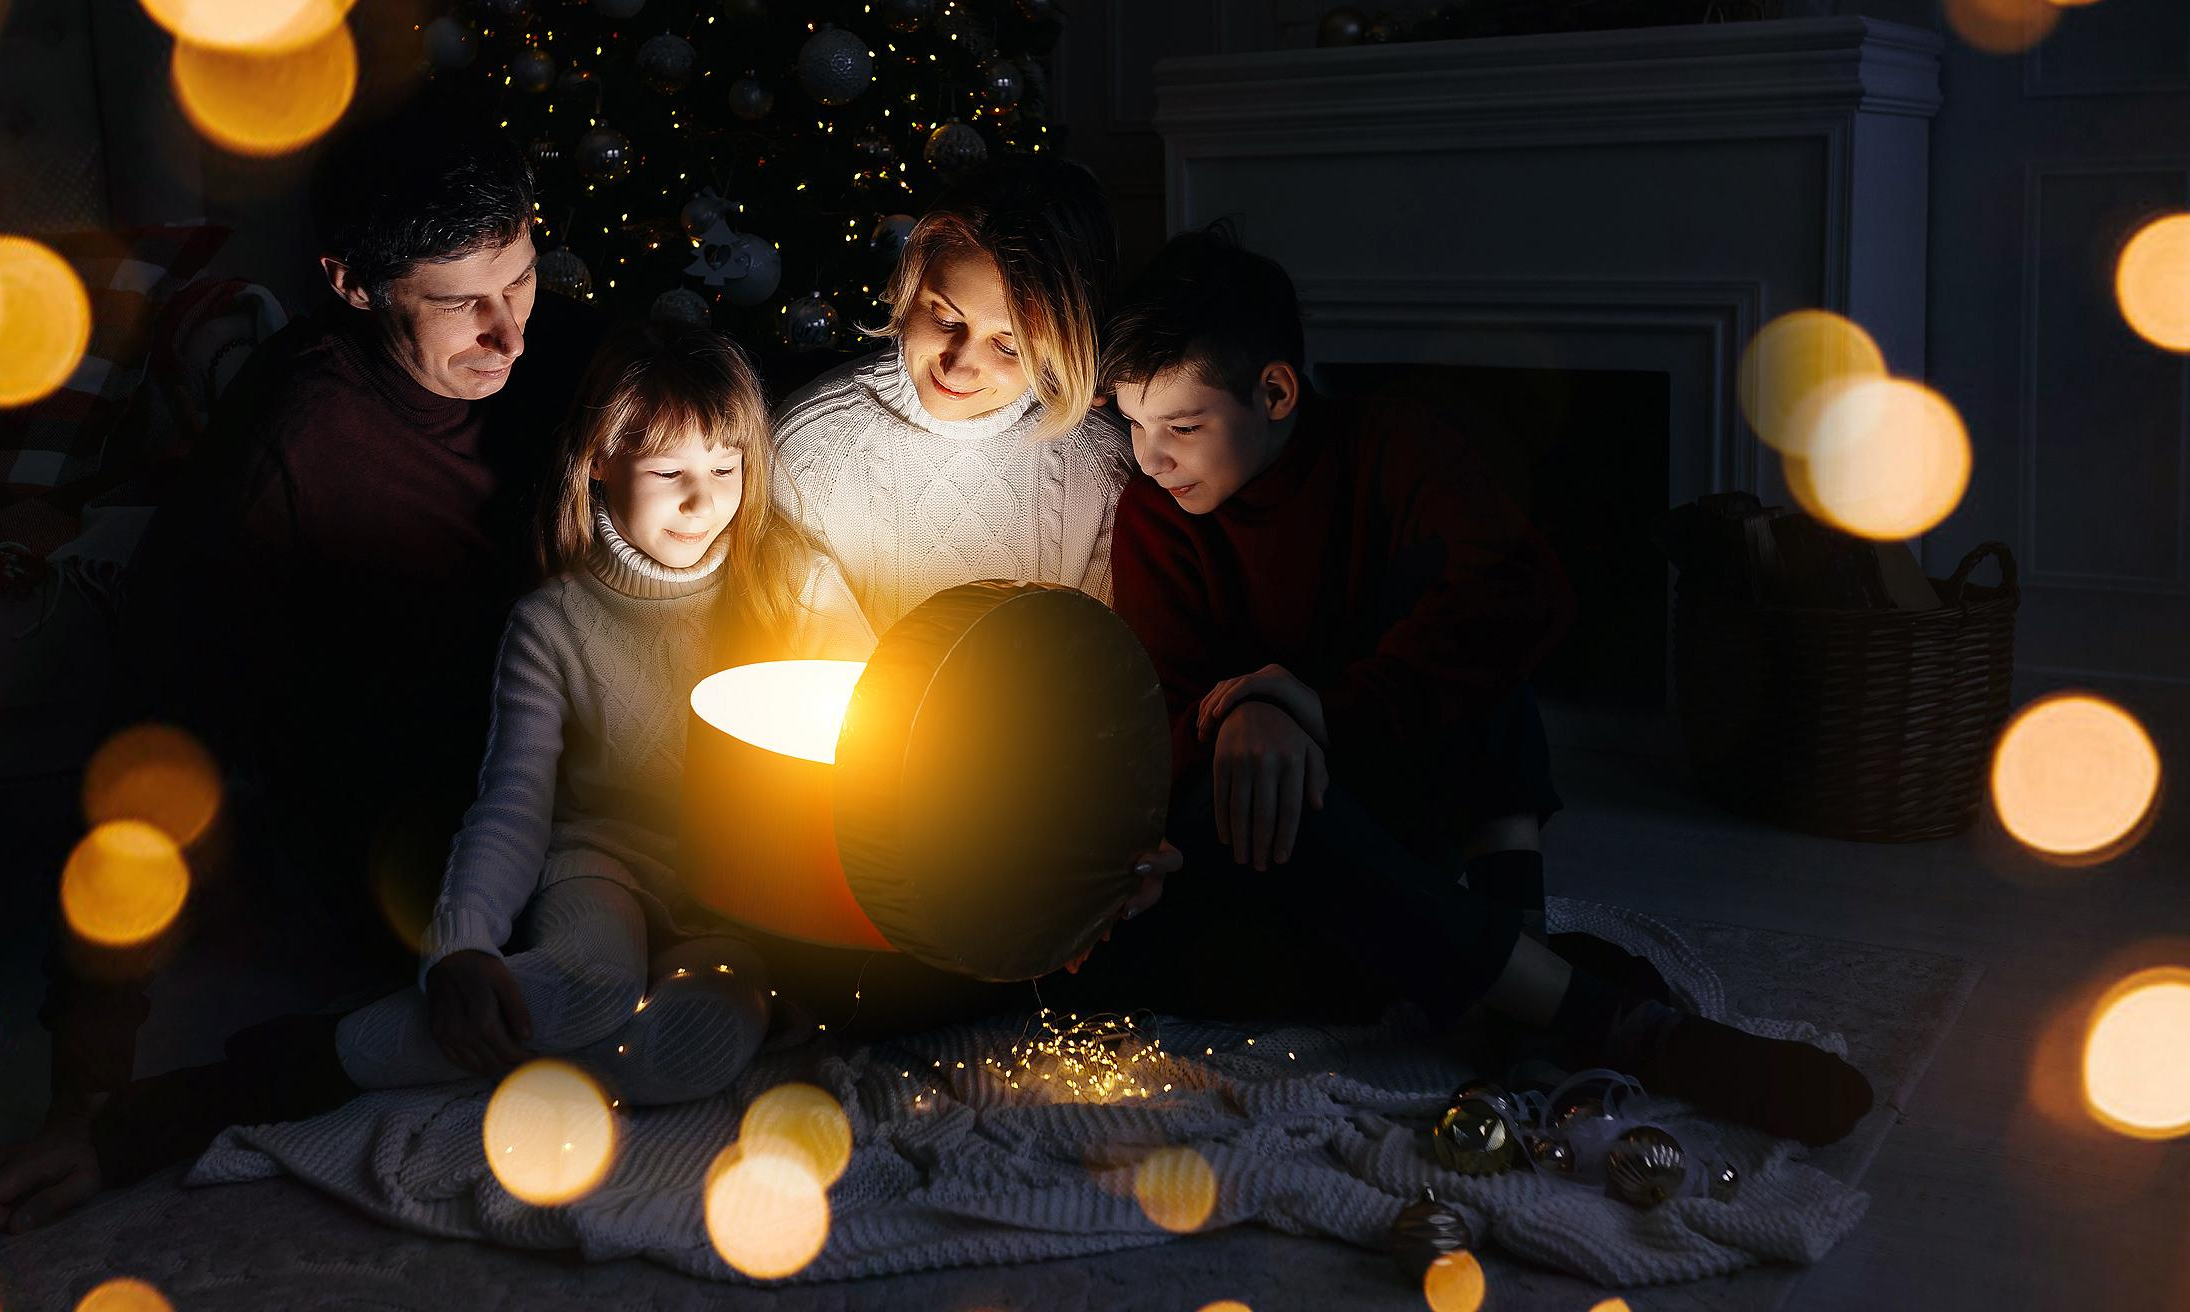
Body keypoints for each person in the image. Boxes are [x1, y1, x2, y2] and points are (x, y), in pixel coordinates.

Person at [0, 103, 598, 1233]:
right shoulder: (286, 448)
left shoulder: (561, 356)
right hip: (407, 821)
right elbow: (152, 751)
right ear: (353, 284)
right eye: (460, 303)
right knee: (539, 1012)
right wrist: (89, 1098)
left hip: (570, 762)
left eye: (523, 280)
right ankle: (179, 1109)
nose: (509, 334)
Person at [1096, 225, 1874, 1146]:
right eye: (1133, 424)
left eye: (1181, 426)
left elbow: (1526, 593)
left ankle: (1523, 979)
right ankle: (1585, 1009)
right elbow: (1163, 717)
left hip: (1390, 779)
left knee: (1476, 649)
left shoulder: (1388, 443)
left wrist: (1321, 707)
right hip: (1279, 837)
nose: (1151, 457)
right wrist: (1247, 715)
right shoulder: (1154, 515)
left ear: (1274, 393)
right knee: (1273, 804)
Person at [333, 321, 876, 1096]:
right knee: (587, 987)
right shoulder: (553, 623)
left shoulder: (796, 585)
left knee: (690, 1049)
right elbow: (515, 800)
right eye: (666, 471)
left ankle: (581, 1054)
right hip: (604, 865)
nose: (702, 501)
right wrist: (462, 946)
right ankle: (319, 1059)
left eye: (727, 468)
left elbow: (866, 760)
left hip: (738, 893)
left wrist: (806, 952)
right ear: (598, 463)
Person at [771, 159, 1132, 635]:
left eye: (1008, 345)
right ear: (912, 285)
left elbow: (1106, 680)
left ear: (1063, 346)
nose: (958, 365)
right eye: (943, 317)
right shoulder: (811, 443)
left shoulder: (1102, 472)